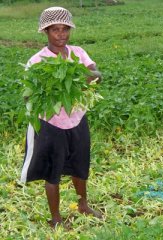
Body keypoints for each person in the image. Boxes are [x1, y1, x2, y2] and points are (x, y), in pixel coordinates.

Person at [20, 6, 102, 227]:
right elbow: (28, 98)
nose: (61, 35)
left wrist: (77, 75)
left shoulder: (78, 52)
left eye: (65, 29)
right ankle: (56, 218)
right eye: (55, 30)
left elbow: (97, 75)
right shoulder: (37, 61)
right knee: (52, 171)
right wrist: (53, 88)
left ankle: (82, 205)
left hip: (77, 120)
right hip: (51, 125)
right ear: (45, 31)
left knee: (80, 165)